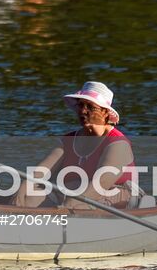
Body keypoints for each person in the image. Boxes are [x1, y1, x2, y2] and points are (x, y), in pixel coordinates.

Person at [13, 81, 137, 209]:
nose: (83, 111)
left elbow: (100, 184)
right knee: (28, 196)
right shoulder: (68, 141)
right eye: (80, 106)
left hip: (113, 196)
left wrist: (71, 204)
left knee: (79, 204)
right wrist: (21, 190)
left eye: (90, 107)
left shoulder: (118, 143)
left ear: (105, 112)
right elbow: (40, 171)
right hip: (71, 193)